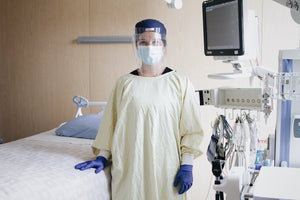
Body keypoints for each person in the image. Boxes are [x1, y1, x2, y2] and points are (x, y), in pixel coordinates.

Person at [75, 19, 204, 200]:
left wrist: (187, 165)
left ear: (164, 46)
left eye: (155, 42)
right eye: (143, 42)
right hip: (130, 169)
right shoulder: (124, 83)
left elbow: (191, 129)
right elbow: (110, 125)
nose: (149, 46)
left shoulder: (180, 83)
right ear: (136, 46)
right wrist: (102, 156)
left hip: (167, 169)